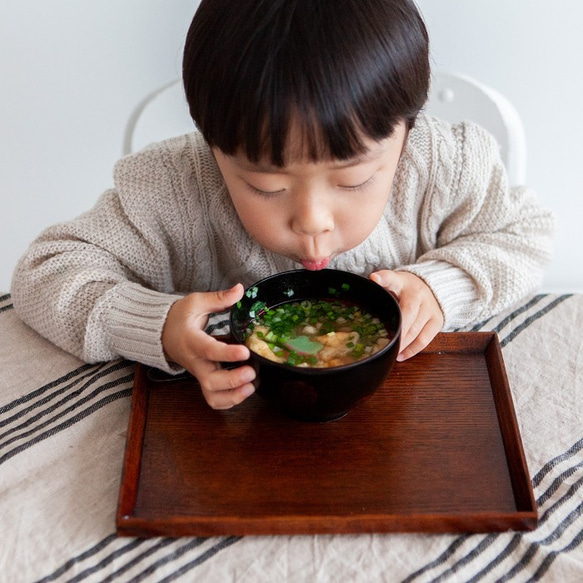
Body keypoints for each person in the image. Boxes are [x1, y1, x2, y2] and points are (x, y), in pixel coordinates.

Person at [11, 0, 554, 411]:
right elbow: (43, 273)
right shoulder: (174, 187)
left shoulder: (443, 165)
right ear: (210, 144)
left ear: (408, 135)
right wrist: (161, 328)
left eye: (356, 179)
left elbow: (525, 234)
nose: (312, 222)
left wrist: (443, 285)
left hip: (417, 420)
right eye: (267, 188)